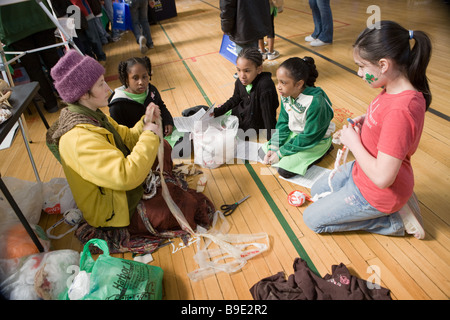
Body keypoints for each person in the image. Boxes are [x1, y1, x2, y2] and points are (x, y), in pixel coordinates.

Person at [46, 50, 214, 251]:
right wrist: (150, 134)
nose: (108, 89)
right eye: (101, 84)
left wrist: (145, 122)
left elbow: (125, 137)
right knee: (186, 209)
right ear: (83, 94)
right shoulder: (78, 138)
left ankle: (160, 190)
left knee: (164, 147)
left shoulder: (92, 115)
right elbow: (126, 176)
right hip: (113, 208)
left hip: (120, 185)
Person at [303, 21, 432, 240]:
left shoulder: (401, 110)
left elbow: (382, 178)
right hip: (363, 170)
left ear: (383, 65)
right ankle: (394, 204)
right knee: (316, 191)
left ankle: (394, 220)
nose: (359, 73)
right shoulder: (391, 87)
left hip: (379, 189)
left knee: (312, 220)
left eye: (362, 66)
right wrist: (368, 121)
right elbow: (386, 122)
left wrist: (354, 143)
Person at [260, 57, 334, 178]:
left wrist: (281, 153)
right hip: (297, 134)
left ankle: (326, 149)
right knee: (263, 152)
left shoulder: (315, 102)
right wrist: (275, 146)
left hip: (315, 139)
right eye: (278, 81)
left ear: (299, 84)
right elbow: (283, 123)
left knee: (284, 171)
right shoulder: (286, 93)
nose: (278, 87)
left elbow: (309, 136)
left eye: (283, 82)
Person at [0, 1, 60, 113]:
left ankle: (51, 104)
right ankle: (69, 96)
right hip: (39, 16)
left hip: (13, 27)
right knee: (54, 62)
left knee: (34, 70)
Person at [213, 47, 279, 140]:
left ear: (259, 69)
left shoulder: (265, 86)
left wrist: (272, 141)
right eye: (239, 70)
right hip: (240, 113)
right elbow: (235, 99)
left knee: (224, 140)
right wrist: (217, 111)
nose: (242, 76)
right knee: (208, 115)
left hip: (253, 123)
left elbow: (268, 115)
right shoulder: (240, 81)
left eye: (247, 71)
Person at [109, 56, 174, 136]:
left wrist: (168, 121)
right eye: (135, 78)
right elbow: (121, 135)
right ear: (126, 79)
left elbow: (161, 106)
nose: (141, 82)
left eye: (144, 77)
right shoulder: (117, 106)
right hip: (140, 145)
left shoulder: (152, 90)